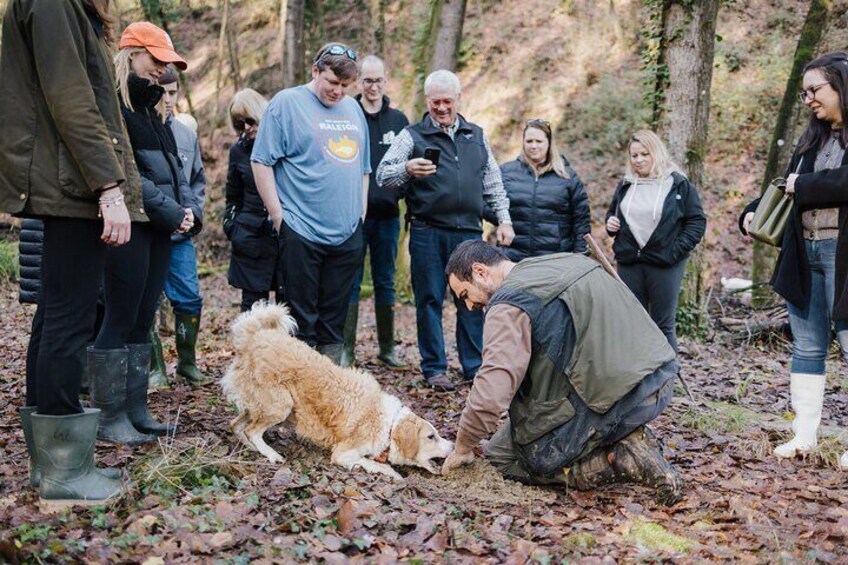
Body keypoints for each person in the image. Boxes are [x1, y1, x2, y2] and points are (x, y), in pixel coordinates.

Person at [0, 0, 143, 504]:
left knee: (57, 315)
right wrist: (108, 187)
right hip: (71, 182)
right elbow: (71, 97)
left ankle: (54, 465)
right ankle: (64, 471)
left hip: (67, 178)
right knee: (69, 317)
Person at [440, 241, 683, 506]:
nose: (469, 307)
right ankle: (620, 439)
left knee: (504, 457)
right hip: (658, 380)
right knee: (506, 438)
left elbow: (492, 390)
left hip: (616, 401)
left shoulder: (508, 303)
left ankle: (619, 459)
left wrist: (463, 447)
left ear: (480, 272)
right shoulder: (565, 262)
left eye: (464, 295)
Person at [89, 22, 199, 446]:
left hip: (159, 230)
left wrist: (186, 213)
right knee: (118, 316)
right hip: (128, 225)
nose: (162, 70)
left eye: (168, 63)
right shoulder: (115, 106)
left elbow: (175, 173)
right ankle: (109, 416)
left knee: (142, 318)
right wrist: (172, 211)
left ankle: (135, 410)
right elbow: (128, 173)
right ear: (131, 54)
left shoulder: (155, 112)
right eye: (157, 60)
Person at [741, 51, 848, 470]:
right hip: (804, 253)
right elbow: (784, 187)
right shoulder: (812, 140)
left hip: (843, 256)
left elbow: (826, 183)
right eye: (804, 94)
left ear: (840, 83)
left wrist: (801, 184)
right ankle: (804, 436)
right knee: (806, 346)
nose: (808, 100)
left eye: (815, 90)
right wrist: (750, 210)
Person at [377, 70, 514, 391]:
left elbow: (493, 183)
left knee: (474, 300)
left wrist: (504, 220)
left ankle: (473, 365)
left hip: (468, 233)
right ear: (427, 101)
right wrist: (407, 169)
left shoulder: (477, 135)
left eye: (447, 101)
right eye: (435, 102)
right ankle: (434, 368)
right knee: (429, 300)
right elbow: (384, 174)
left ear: (458, 99)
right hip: (427, 231)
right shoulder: (412, 136)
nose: (441, 108)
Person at [252, 43, 369, 364]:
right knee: (300, 321)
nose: (338, 92)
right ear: (315, 71)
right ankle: (295, 392)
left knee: (335, 322)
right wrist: (278, 216)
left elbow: (364, 167)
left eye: (345, 86)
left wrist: (360, 213)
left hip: (346, 234)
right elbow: (261, 161)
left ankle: (326, 391)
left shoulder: (353, 109)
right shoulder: (286, 104)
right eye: (332, 82)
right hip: (300, 229)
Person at [605, 130, 706, 353]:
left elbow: (696, 222)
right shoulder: (626, 184)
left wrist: (674, 251)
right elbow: (614, 213)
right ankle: (637, 383)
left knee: (663, 326)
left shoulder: (678, 184)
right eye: (634, 155)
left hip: (665, 263)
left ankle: (666, 383)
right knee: (632, 324)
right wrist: (610, 224)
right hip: (630, 262)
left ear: (656, 153)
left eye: (644, 154)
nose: (639, 160)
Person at [341, 55, 410, 369]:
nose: (372, 86)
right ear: (359, 81)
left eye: (377, 80)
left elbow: (410, 167)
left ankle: (387, 349)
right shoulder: (346, 114)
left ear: (386, 80)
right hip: (352, 213)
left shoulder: (399, 121)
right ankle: (346, 350)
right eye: (366, 80)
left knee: (385, 281)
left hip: (386, 216)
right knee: (350, 280)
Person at [148, 64, 207, 388]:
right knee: (148, 301)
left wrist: (194, 214)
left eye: (173, 92)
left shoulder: (186, 133)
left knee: (189, 297)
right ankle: (155, 368)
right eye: (163, 91)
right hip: (149, 230)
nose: (168, 99)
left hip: (181, 235)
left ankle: (187, 362)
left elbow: (197, 179)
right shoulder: (141, 126)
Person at [486, 118, 590, 261]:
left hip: (555, 259)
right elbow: (483, 200)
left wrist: (581, 257)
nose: (533, 146)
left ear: (549, 143)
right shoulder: (506, 172)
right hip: (513, 257)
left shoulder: (567, 177)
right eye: (529, 141)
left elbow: (581, 221)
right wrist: (504, 219)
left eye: (538, 141)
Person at [223, 88, 281, 313]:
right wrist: (232, 226)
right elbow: (233, 195)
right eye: (239, 124)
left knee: (290, 306)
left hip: (284, 235)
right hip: (250, 238)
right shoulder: (238, 151)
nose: (246, 128)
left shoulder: (283, 142)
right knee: (253, 310)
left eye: (250, 120)